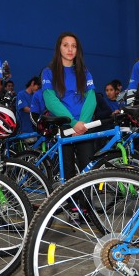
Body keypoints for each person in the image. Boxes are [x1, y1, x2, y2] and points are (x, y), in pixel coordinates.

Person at [41, 32, 96, 181]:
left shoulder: (84, 72)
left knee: (88, 170)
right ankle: (70, 205)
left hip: (84, 126)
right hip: (65, 127)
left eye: (74, 46)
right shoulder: (48, 72)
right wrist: (73, 122)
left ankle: (86, 204)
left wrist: (82, 124)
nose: (70, 49)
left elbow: (91, 99)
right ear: (59, 48)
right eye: (66, 45)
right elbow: (50, 101)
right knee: (68, 171)